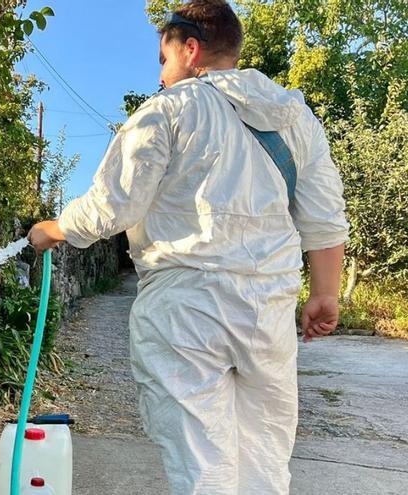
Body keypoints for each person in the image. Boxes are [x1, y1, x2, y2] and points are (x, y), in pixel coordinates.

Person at [28, 1, 348, 493]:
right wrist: (326, 292)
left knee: (202, 464)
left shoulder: (167, 111)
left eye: (162, 57)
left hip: (185, 311)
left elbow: (111, 208)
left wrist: (51, 229)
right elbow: (323, 217)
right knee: (264, 458)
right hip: (269, 311)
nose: (160, 71)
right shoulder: (294, 118)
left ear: (190, 49)